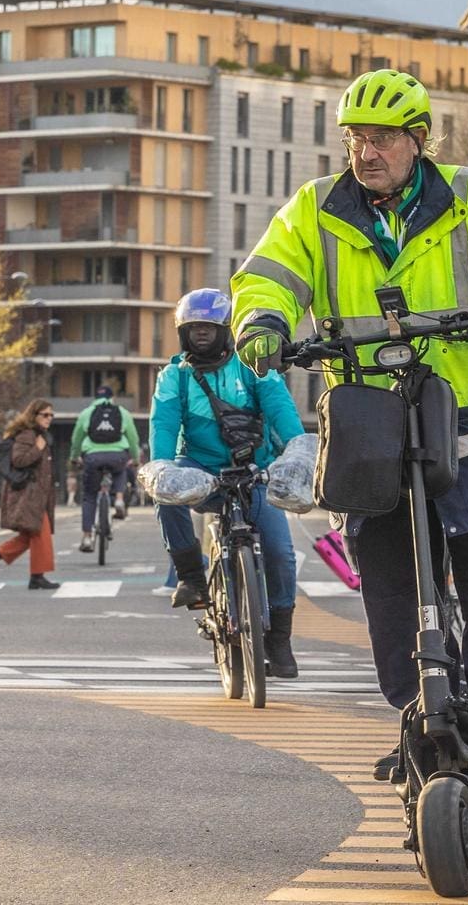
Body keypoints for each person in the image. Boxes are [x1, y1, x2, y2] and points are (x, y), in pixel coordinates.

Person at [231, 68, 468, 771]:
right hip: (369, 416)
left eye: (382, 139)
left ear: (418, 141)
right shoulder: (314, 209)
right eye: (356, 139)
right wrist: (262, 318)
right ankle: (419, 709)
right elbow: (269, 273)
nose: (366, 152)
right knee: (386, 573)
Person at [154, 288, 302, 679]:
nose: (201, 334)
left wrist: (298, 450)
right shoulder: (174, 377)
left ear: (227, 330)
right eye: (193, 328)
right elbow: (164, 424)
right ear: (183, 333)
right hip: (200, 471)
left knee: (281, 553)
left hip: (254, 473)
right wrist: (161, 466)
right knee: (166, 493)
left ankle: (279, 640)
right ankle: (191, 578)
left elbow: (281, 409)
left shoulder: (253, 368)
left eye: (209, 327)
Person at [0, 401, 59, 589]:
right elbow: (19, 460)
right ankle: (37, 577)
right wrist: (37, 449)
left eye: (51, 415)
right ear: (34, 416)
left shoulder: (39, 435)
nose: (49, 418)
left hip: (37, 495)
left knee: (29, 537)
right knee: (41, 534)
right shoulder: (27, 435)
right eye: (45, 415)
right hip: (29, 495)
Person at [70, 385, 140, 554]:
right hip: (117, 456)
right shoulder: (122, 412)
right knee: (121, 470)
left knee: (89, 496)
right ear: (111, 397)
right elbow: (133, 437)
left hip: (92, 457)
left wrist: (74, 456)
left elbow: (76, 438)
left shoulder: (87, 413)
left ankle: (87, 537)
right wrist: (135, 459)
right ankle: (119, 499)